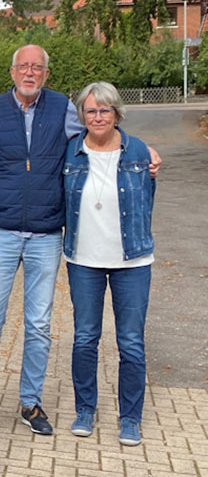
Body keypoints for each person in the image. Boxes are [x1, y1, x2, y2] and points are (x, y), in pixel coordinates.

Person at [0, 44, 161, 437]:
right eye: (23, 66)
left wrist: (140, 148)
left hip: (46, 233)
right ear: (12, 72)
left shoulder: (63, 108)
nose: (30, 73)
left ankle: (30, 403)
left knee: (38, 324)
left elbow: (99, 135)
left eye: (38, 67)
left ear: (46, 74)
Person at [63, 82, 155, 446]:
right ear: (82, 115)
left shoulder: (140, 152)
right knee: (85, 338)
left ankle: (130, 417)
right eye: (91, 110)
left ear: (117, 113)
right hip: (83, 259)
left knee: (130, 342)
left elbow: (148, 200)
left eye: (105, 110)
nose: (98, 117)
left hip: (132, 261)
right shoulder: (71, 152)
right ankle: (85, 409)